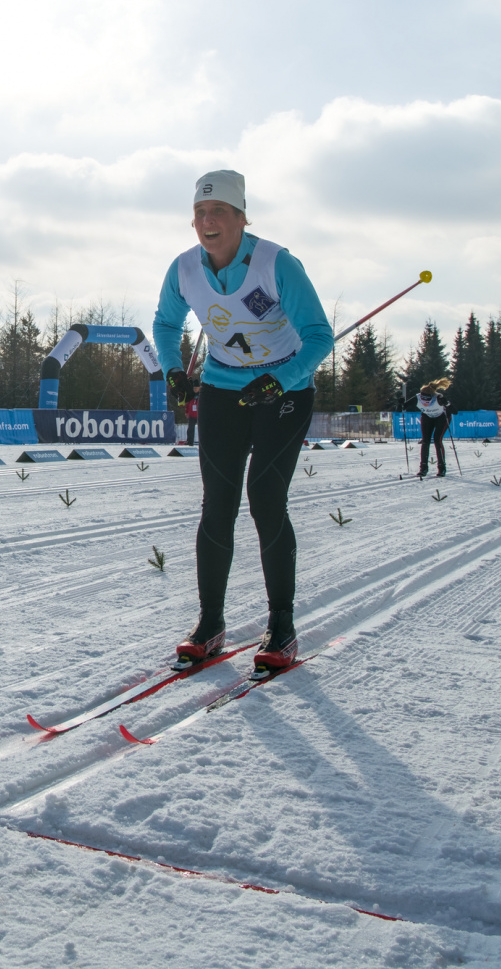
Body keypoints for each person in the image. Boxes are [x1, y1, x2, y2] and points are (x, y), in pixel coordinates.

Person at [153, 169, 334, 675]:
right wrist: (173, 369)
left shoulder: (277, 264)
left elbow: (319, 336)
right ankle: (210, 623)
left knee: (266, 499)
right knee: (217, 505)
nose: (207, 221)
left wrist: (283, 379)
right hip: (223, 388)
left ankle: (281, 626)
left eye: (218, 212)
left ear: (241, 218)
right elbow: (165, 323)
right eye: (199, 213)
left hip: (283, 391)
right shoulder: (184, 269)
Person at [414, 378, 452, 478]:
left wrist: (447, 403)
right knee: (425, 441)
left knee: (437, 440)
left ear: (432, 396)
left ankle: (442, 468)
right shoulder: (418, 397)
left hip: (442, 418)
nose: (424, 400)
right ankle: (423, 468)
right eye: (422, 397)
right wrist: (401, 404)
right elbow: (403, 407)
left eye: (427, 398)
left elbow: (454, 411)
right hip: (427, 417)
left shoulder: (438, 397)